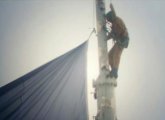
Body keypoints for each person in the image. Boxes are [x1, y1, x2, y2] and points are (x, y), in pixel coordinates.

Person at [105, 3, 129, 79]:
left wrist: (111, 7)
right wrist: (105, 38)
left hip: (123, 40)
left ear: (111, 18)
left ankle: (115, 71)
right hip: (119, 40)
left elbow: (114, 32)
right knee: (109, 56)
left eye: (109, 20)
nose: (109, 22)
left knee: (116, 54)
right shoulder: (114, 23)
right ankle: (113, 70)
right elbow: (112, 34)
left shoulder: (116, 20)